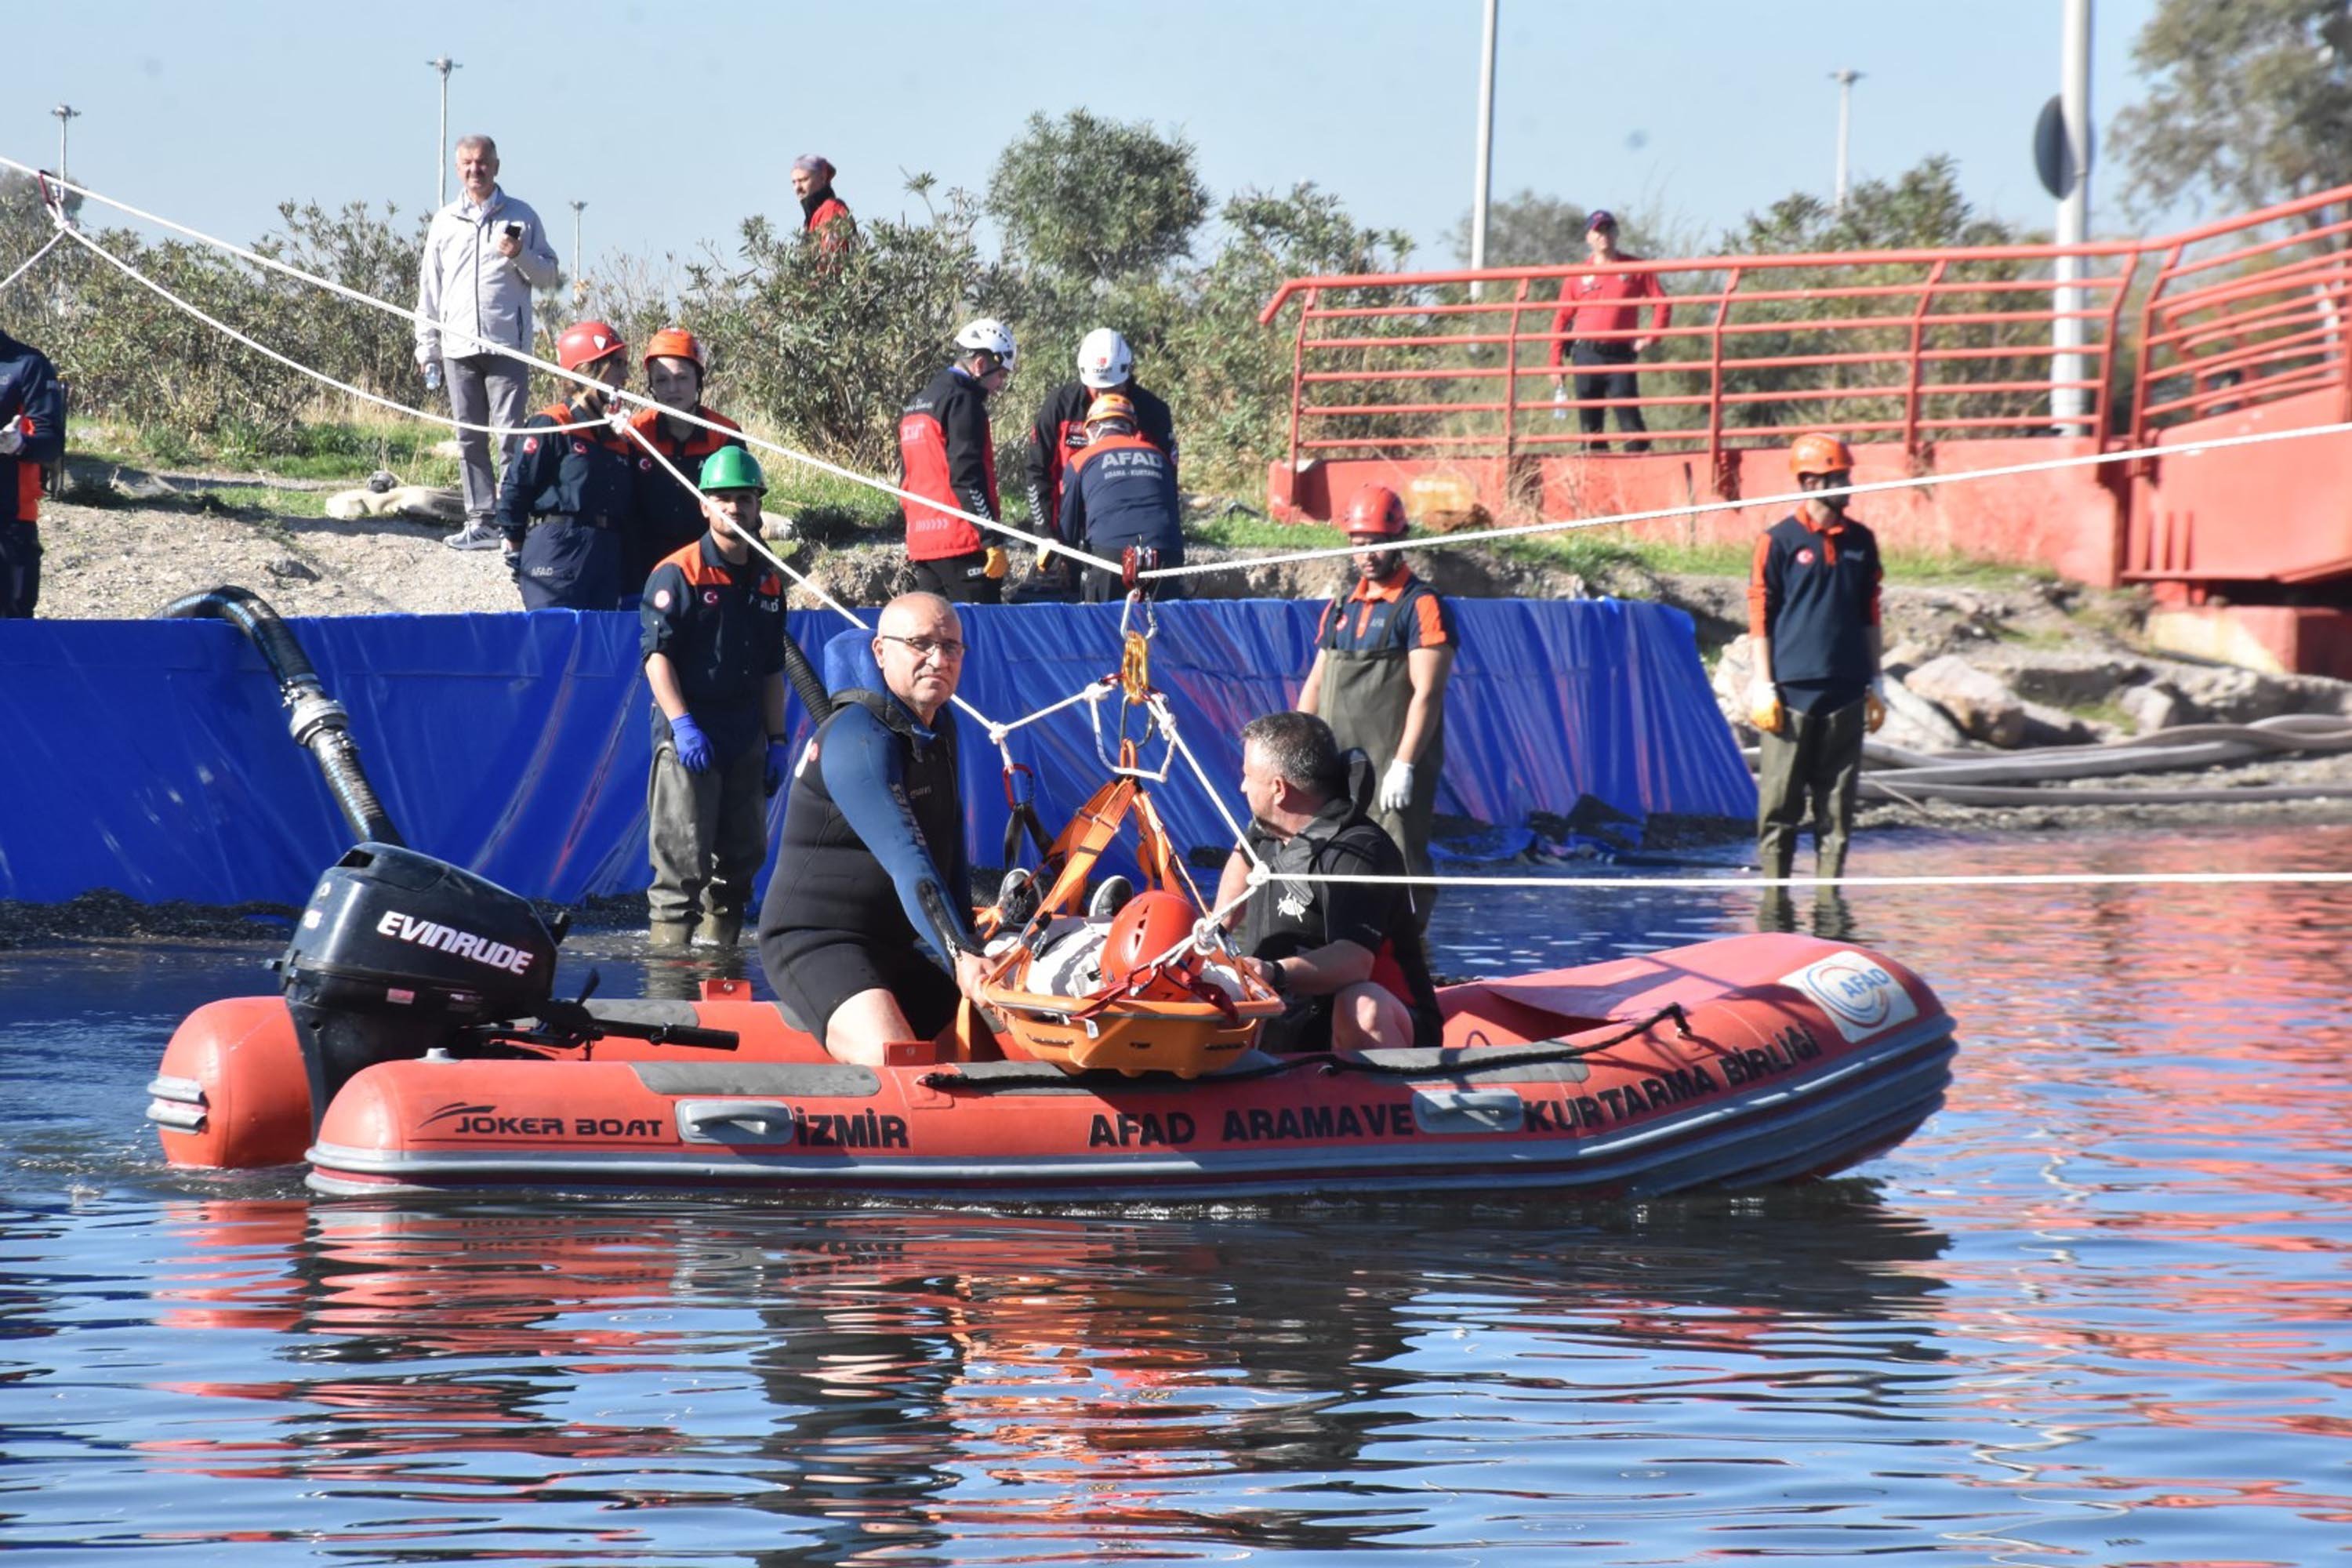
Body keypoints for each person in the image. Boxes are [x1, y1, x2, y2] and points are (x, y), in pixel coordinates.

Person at [757, 591, 991, 1064]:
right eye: (920, 644)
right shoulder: (857, 738)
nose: (938, 659)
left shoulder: (939, 726)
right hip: (817, 943)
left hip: (892, 947)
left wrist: (974, 942)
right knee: (899, 1060)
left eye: (951, 647)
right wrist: (961, 958)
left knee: (990, 1052)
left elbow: (947, 852)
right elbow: (912, 862)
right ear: (881, 652)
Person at [1213, 711, 1443, 1054]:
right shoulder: (1267, 832)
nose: (1242, 786)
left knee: (1360, 1004)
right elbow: (1242, 856)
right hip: (1295, 1016)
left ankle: (1384, 1096)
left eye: (1248, 776)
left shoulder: (1361, 851)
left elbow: (1354, 961)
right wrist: (1219, 926)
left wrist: (1272, 971)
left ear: (1279, 789)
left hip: (1381, 1018)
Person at [641, 447, 791, 950]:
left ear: (758, 507)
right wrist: (682, 725)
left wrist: (776, 739)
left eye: (744, 499)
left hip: (744, 734)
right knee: (681, 865)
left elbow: (774, 666)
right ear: (704, 505)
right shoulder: (677, 573)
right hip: (691, 734)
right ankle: (669, 985)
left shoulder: (769, 579)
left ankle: (719, 964)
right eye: (722, 499)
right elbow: (656, 658)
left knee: (743, 861)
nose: (734, 509)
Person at [1298, 485, 1456, 927]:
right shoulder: (1340, 608)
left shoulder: (1421, 606)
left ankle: (1410, 954)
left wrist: (1404, 765)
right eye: (1358, 545)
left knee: (1400, 861)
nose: (1366, 555)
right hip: (1339, 764)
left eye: (1376, 545)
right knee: (1329, 852)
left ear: (1399, 541)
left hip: (1390, 768)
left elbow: (1428, 692)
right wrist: (1298, 750)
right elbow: (1317, 680)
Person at [1747, 432, 1886, 889]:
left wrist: (1876, 680)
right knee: (1779, 804)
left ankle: (1829, 899)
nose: (1847, 484)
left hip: (1846, 691)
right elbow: (1760, 610)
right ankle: (1775, 899)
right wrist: (1763, 682)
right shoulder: (1779, 541)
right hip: (1791, 692)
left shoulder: (1862, 542)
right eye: (1838, 476)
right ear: (1809, 481)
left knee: (1837, 808)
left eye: (1845, 475)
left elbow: (1870, 613)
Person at [414, 134, 561, 550]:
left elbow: (549, 277)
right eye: (466, 164)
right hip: (458, 347)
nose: (474, 170)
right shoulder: (444, 220)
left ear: (496, 166)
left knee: (510, 436)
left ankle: (513, 520)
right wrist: (428, 348)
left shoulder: (522, 215)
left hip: (506, 347)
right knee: (468, 437)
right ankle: (480, 520)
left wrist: (519, 255)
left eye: (482, 163)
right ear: (457, 168)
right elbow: (430, 288)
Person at [496, 320, 637, 610]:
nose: (626, 375)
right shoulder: (553, 424)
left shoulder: (617, 437)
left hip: (605, 553)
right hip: (559, 548)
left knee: (597, 651)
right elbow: (517, 486)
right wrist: (514, 543)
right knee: (556, 644)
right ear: (590, 368)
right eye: (618, 364)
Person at [1024, 328, 1178, 591]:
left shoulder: (1153, 412)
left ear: (1128, 376)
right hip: (1067, 524)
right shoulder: (1059, 406)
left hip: (1125, 528)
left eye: (1114, 388)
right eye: (1098, 390)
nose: (1104, 397)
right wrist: (1046, 535)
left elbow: (1166, 481)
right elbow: (1037, 471)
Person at [898, 319, 1017, 604]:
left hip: (923, 545)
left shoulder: (918, 402)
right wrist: (991, 538)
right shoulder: (964, 402)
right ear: (979, 365)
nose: (1000, 385)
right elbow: (967, 475)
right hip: (963, 543)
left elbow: (906, 479)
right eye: (1000, 375)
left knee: (935, 638)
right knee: (978, 639)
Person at [626, 326, 746, 606]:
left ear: (698, 381)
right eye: (662, 380)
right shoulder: (635, 433)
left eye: (682, 378)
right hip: (645, 562)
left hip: (708, 560)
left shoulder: (724, 434)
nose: (672, 389)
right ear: (651, 385)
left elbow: (743, 504)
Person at [1545, 209, 1668, 452]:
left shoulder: (1635, 267)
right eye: (1598, 231)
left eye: (1609, 229)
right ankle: (1595, 473)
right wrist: (1555, 361)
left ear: (1617, 233)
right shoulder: (1577, 275)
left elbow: (1662, 302)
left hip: (1620, 353)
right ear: (1588, 237)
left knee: (1629, 416)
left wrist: (1651, 337)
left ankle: (1642, 468)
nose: (1604, 235)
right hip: (1586, 354)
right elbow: (1561, 318)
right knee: (1590, 424)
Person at [1054, 393, 1185, 601]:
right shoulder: (1159, 456)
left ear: (1092, 429)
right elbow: (1173, 510)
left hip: (1110, 553)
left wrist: (1070, 575)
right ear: (1131, 428)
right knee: (1161, 627)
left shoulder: (1080, 460)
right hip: (1166, 553)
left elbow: (1068, 528)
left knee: (1104, 629)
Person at [0, 327, 66, 619]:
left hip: (10, 521)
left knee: (14, 631)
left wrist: (19, 444)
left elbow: (51, 443)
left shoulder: (27, 364)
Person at [790, 154, 855, 254]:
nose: (797, 188)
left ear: (822, 178)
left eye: (804, 180)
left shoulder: (831, 210)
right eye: (794, 182)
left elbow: (831, 261)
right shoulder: (814, 215)